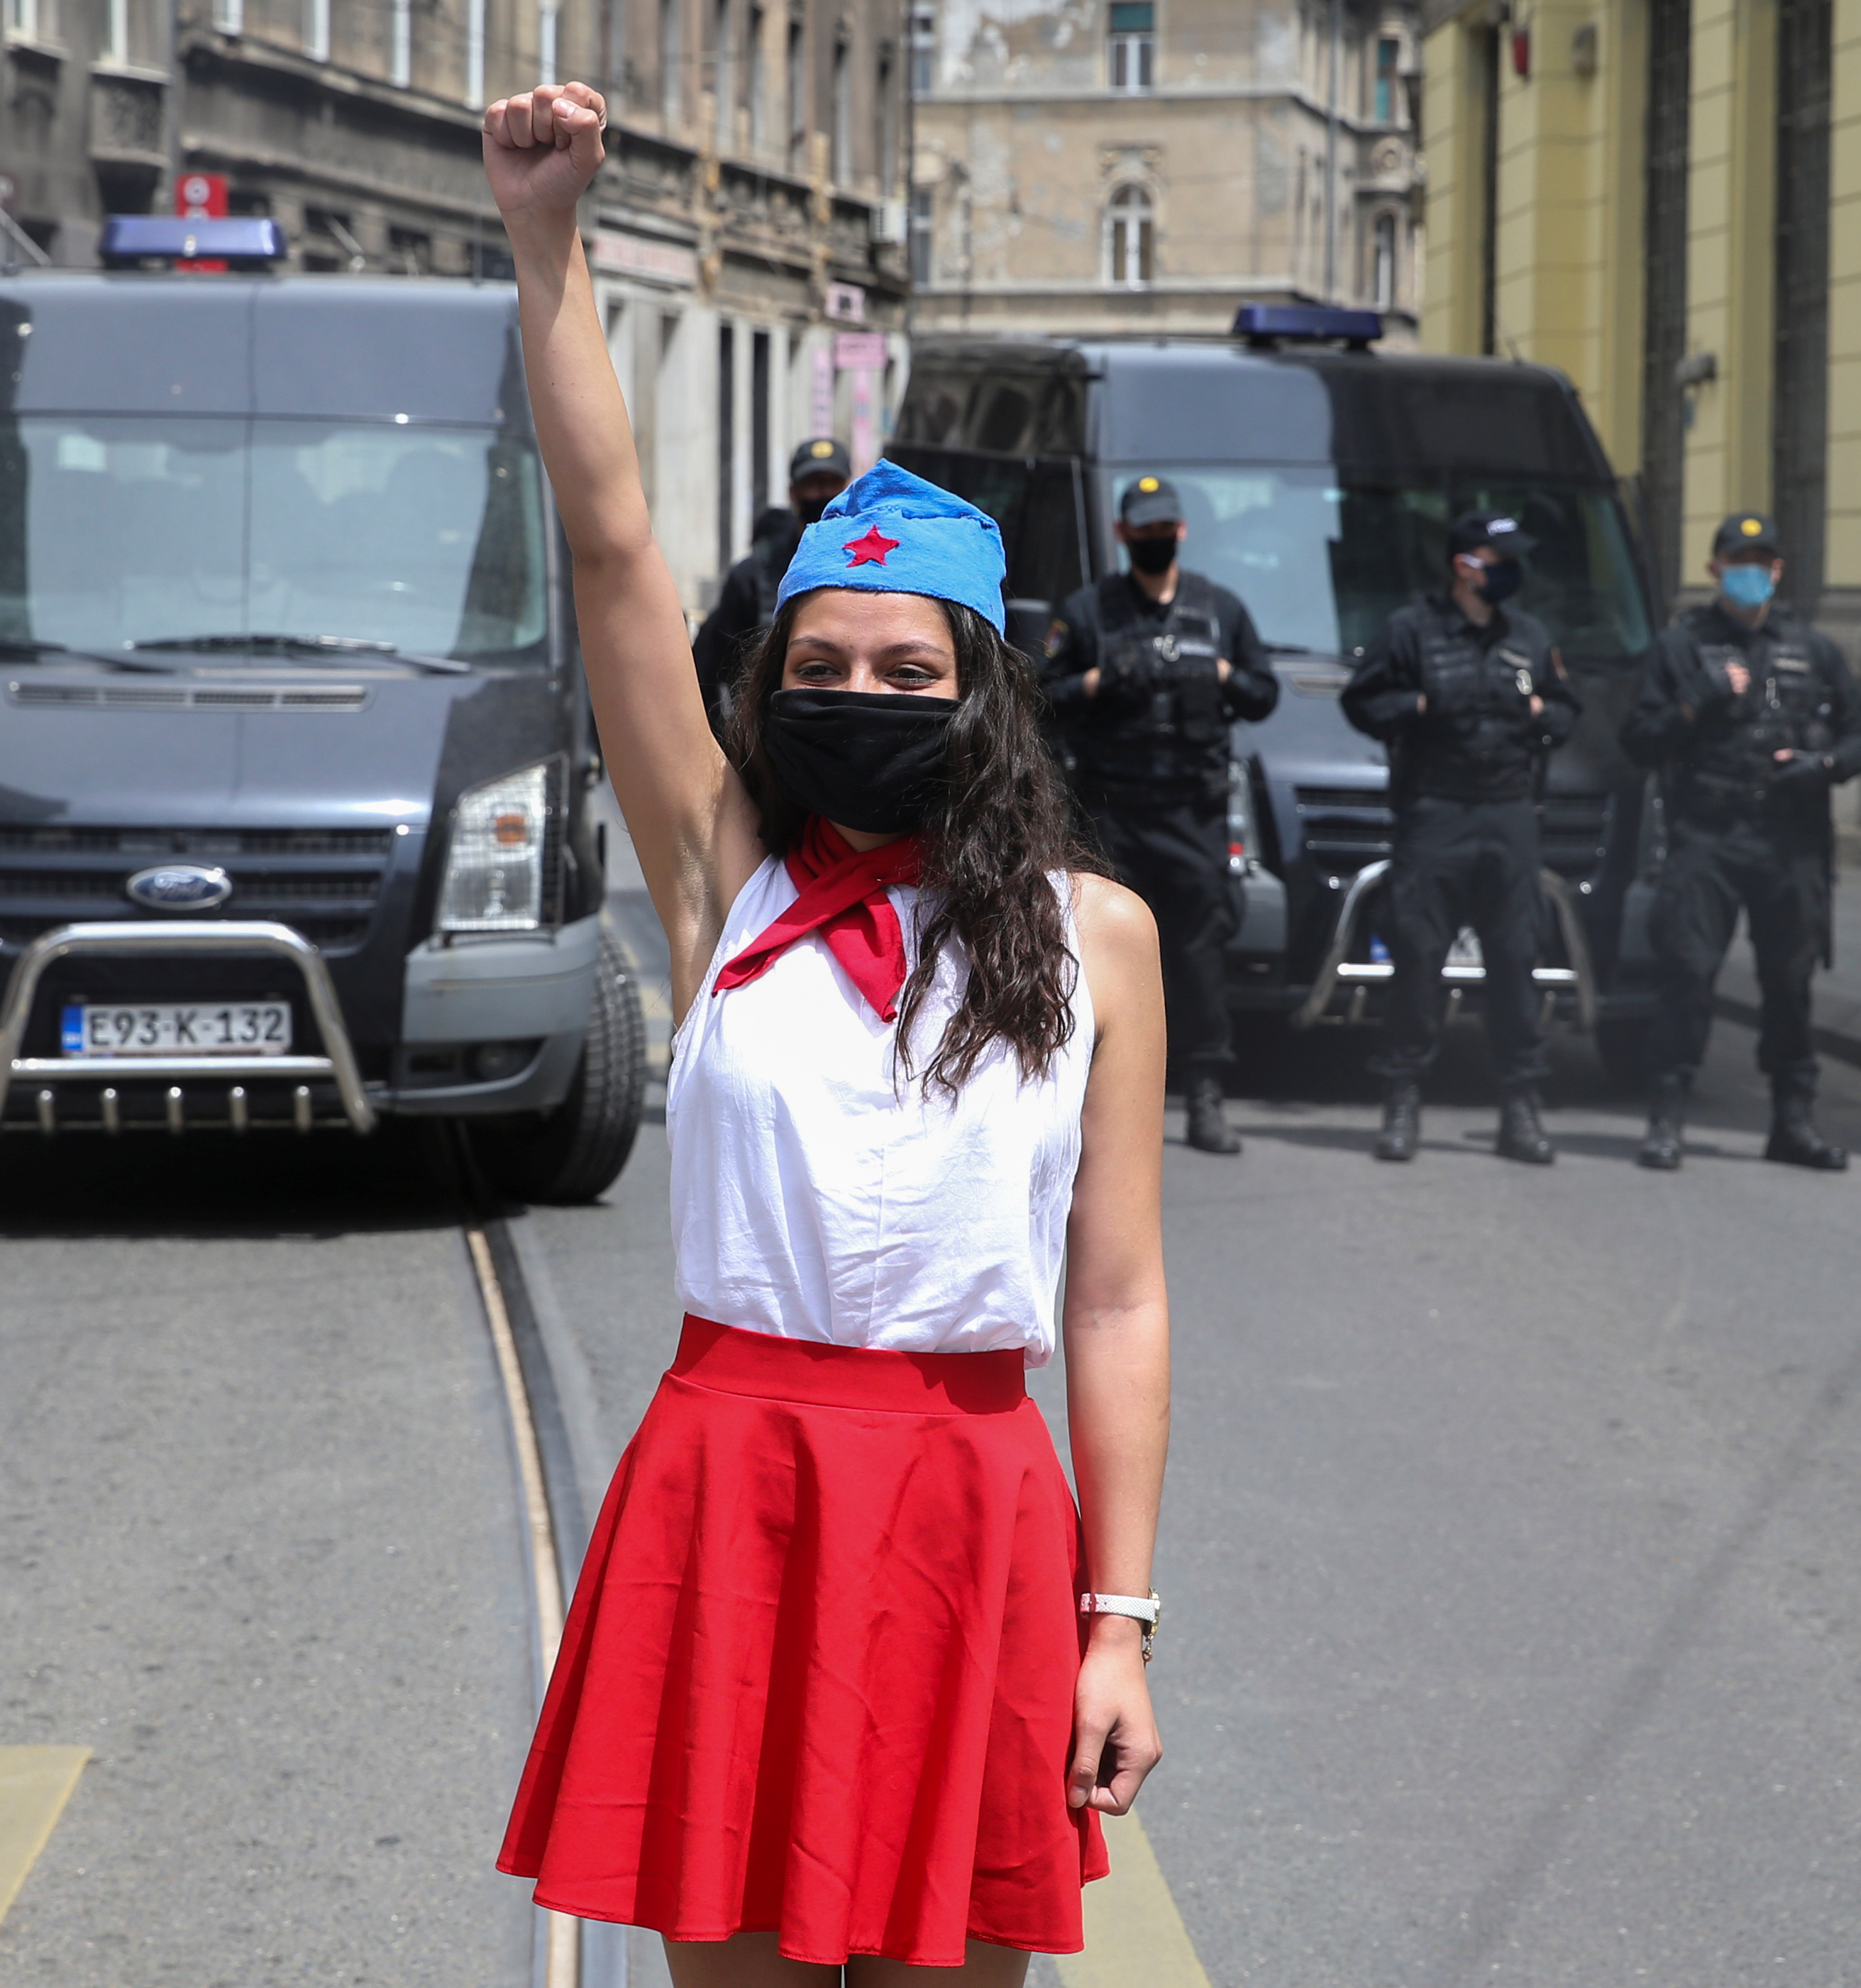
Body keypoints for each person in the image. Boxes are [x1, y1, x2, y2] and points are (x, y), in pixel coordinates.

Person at [482, 85, 1168, 1986]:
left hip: (969, 1509)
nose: (859, 695)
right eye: (820, 666)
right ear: (769, 685)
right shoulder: (727, 879)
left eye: (905, 670)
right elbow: (616, 554)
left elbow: (1111, 1300)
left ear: (977, 695)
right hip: (738, 1493)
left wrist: (1117, 1619)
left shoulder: (1093, 935)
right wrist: (547, 249)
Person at [1618, 511, 1861, 1171]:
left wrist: (1821, 767)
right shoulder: (1682, 647)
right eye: (1738, 560)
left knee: (1789, 983)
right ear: (1713, 570)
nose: (1752, 573)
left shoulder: (1812, 649)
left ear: (1778, 571)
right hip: (1706, 835)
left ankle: (1792, 1122)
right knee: (1689, 974)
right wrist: (1694, 704)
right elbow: (1638, 740)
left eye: (1762, 562)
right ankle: (1666, 1117)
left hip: (1789, 841)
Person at [1039, 475, 1281, 1155]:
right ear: (1122, 534)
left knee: (1199, 954)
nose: (1153, 539)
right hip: (1112, 810)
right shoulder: (1089, 610)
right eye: (1141, 530)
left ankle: (1204, 1091)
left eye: (1163, 529)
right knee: (1093, 951)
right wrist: (1102, 678)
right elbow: (1042, 692)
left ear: (1180, 532)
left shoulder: (1219, 608)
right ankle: (1085, 1096)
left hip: (1193, 811)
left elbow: (1264, 693)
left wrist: (1219, 673)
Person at [1343, 511, 1581, 1165]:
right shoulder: (1410, 629)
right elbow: (1361, 702)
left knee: (1514, 960)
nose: (1510, 569)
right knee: (1418, 959)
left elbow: (1565, 713)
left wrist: (1535, 710)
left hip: (1507, 814)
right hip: (1434, 812)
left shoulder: (1528, 636)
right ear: (1463, 566)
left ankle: (1520, 1109)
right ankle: (1401, 1100)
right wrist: (1421, 705)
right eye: (1496, 556)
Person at [692, 436, 854, 732]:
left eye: (831, 483)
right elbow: (711, 667)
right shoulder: (755, 575)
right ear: (793, 492)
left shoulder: (869, 567)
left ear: (847, 488)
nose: (822, 493)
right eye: (813, 484)